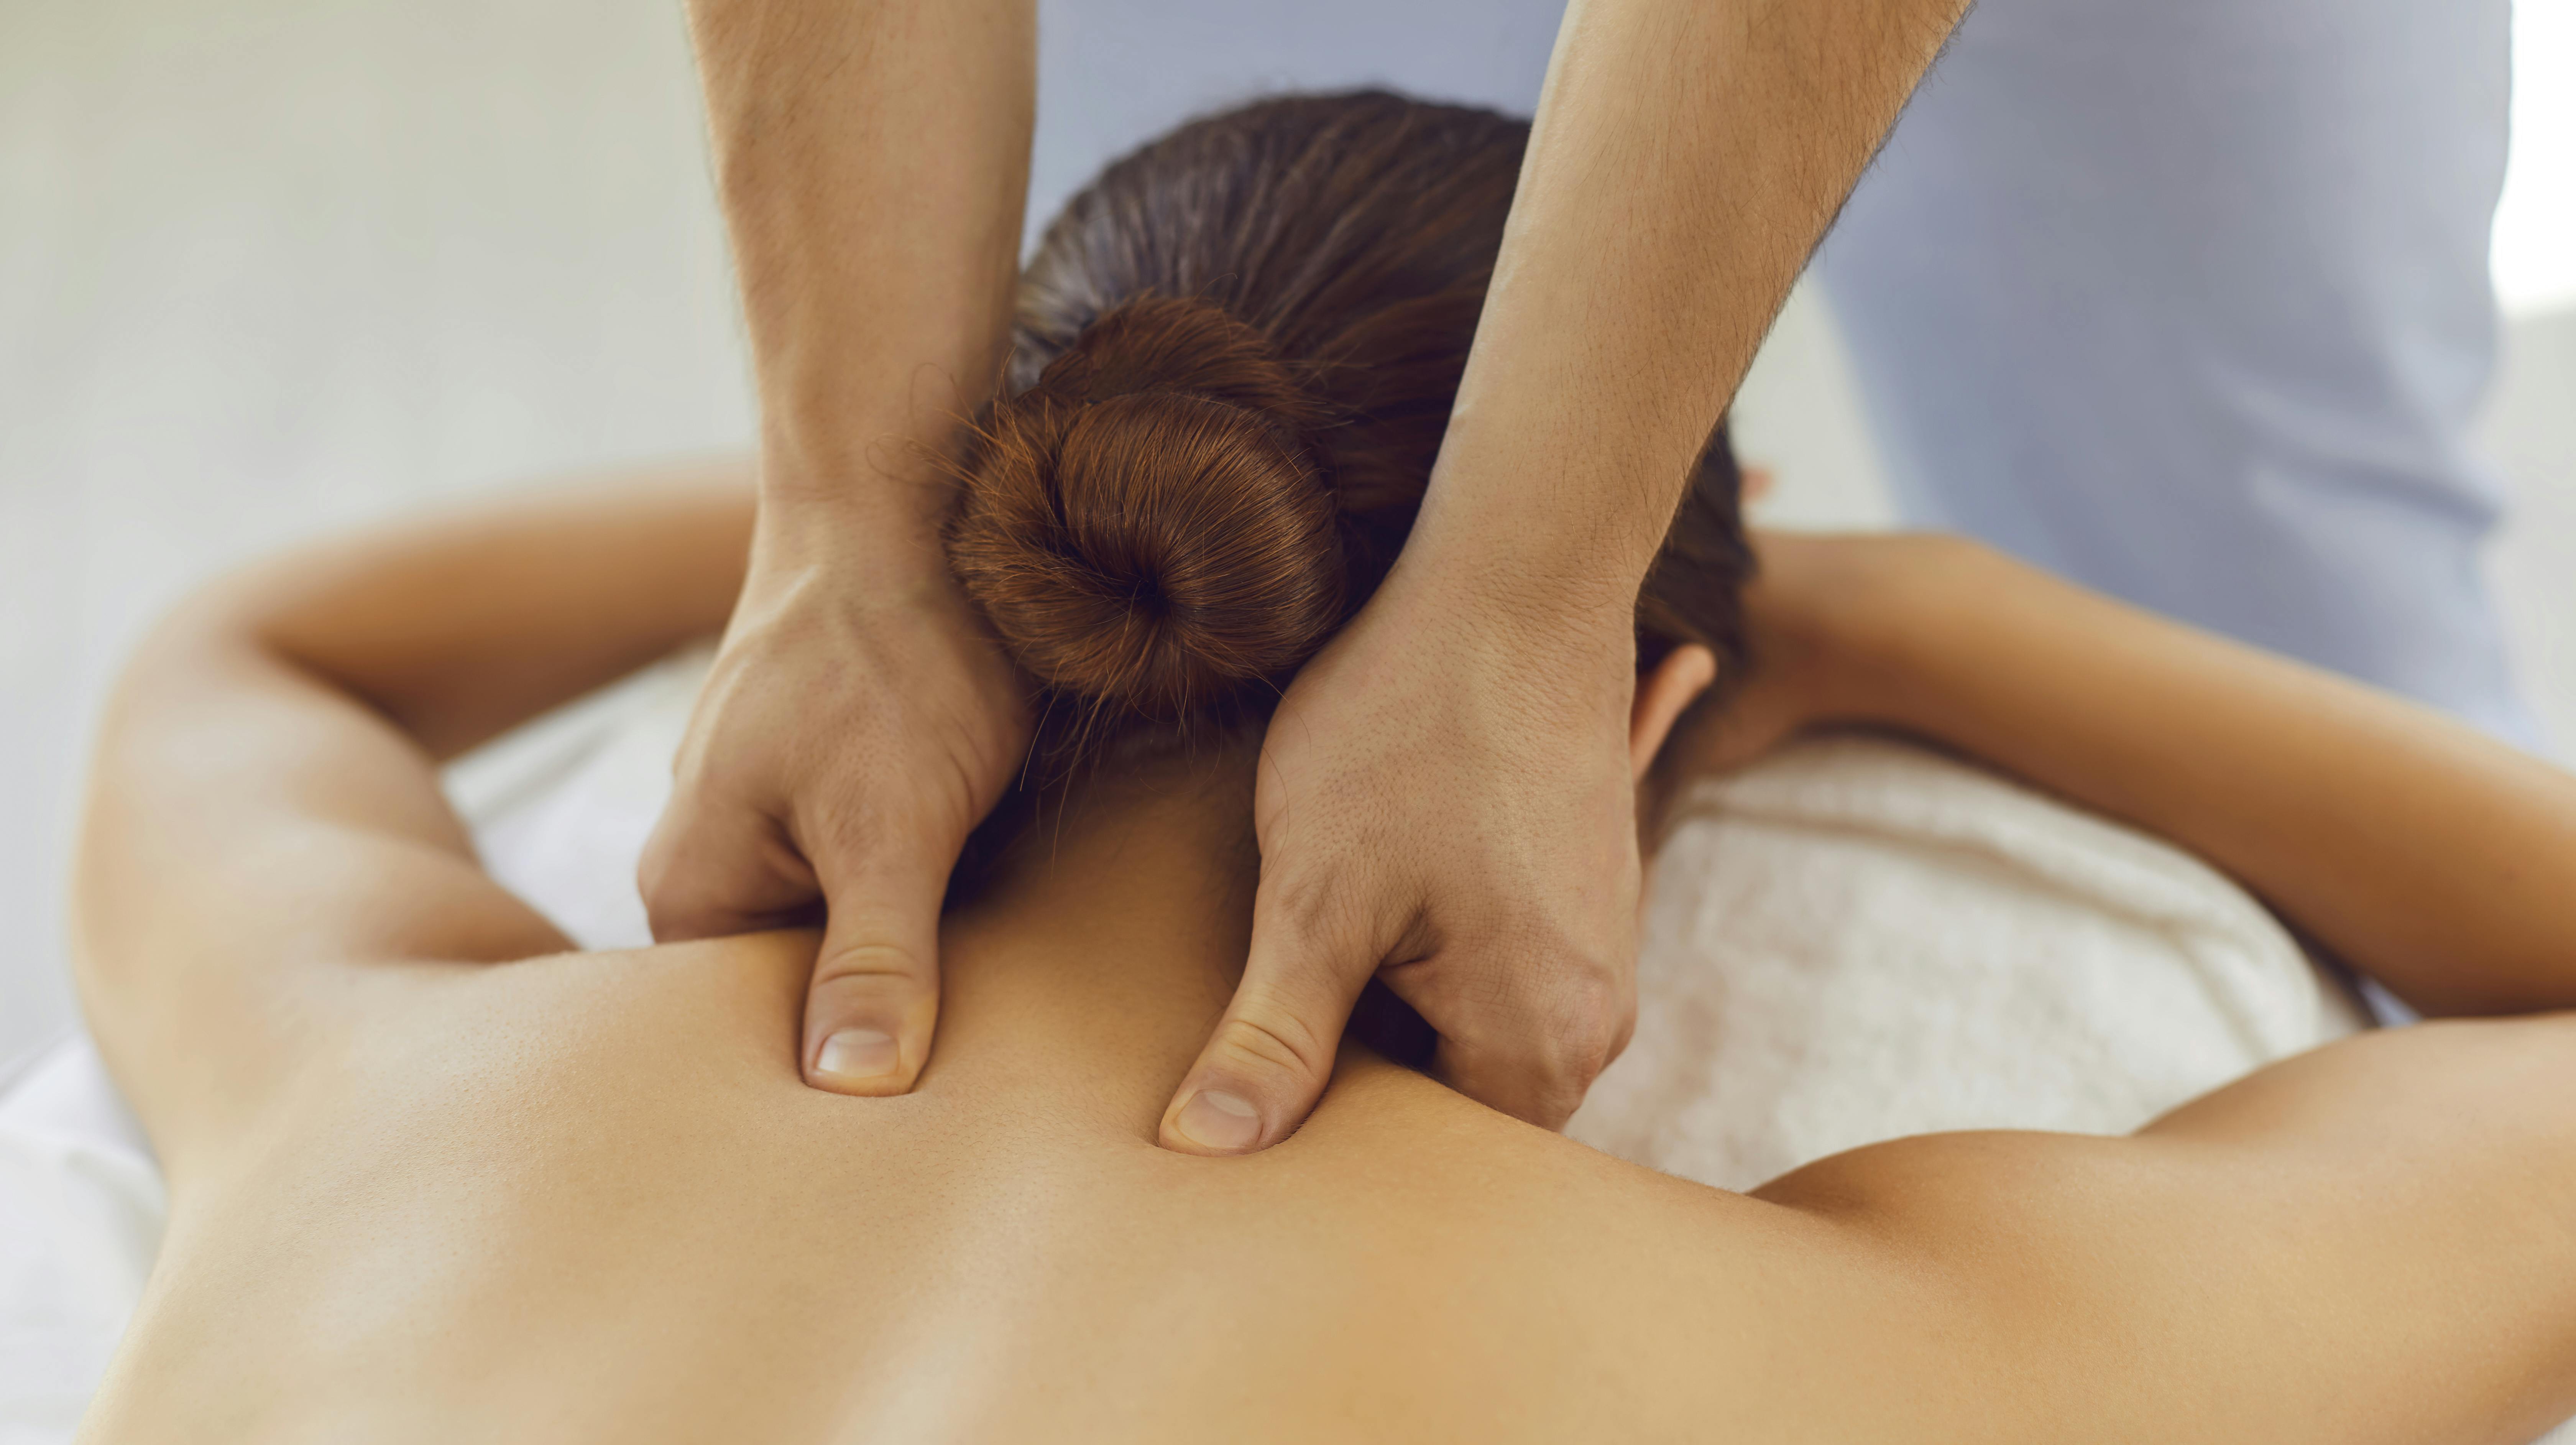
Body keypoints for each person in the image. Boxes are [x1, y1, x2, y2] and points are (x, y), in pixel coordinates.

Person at [71, 95, 2576, 1441]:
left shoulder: (379, 1078)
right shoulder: (1810, 1356)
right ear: (1639, 739)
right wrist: (1884, 608)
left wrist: (900, 526)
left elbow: (257, 652)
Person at [656, 0, 2532, 1149]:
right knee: (2308, 669)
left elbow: (340, 644)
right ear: (1672, 706)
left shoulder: (464, 1085)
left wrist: (908, 508)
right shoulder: (1824, 1318)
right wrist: (862, 535)